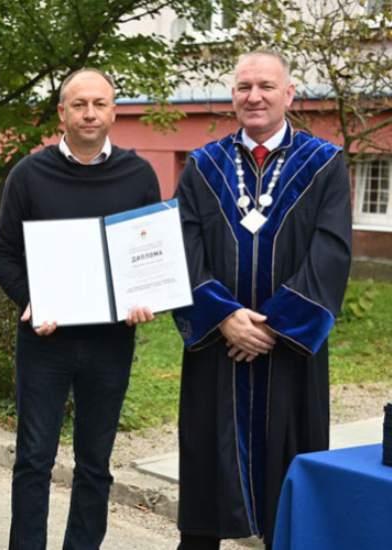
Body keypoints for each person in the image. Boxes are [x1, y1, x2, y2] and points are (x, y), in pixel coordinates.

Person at [172, 51, 352, 550]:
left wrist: (273, 326)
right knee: (205, 497)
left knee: (290, 503)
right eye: (243, 86)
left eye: (266, 86)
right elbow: (185, 253)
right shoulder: (202, 167)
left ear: (289, 94)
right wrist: (224, 316)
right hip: (217, 353)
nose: (254, 96)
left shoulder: (324, 165)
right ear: (232, 95)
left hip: (289, 357)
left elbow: (331, 254)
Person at [0, 68, 159, 550]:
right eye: (78, 104)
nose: (89, 113)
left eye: (99, 104)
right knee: (34, 459)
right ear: (61, 112)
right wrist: (31, 297)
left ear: (114, 111)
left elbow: (151, 256)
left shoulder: (138, 175)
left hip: (110, 343)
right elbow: (1, 253)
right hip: (45, 341)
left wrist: (144, 298)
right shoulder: (29, 174)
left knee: (94, 463)